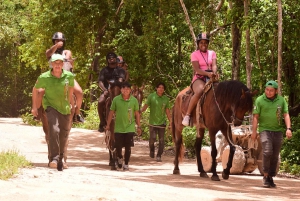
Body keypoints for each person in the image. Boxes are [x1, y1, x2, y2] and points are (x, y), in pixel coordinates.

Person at [31, 54, 75, 171]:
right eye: (55, 63)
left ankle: (61, 158)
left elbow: (70, 91)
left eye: (60, 63)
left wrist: (71, 104)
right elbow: (35, 89)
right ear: (51, 64)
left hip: (64, 108)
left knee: (63, 134)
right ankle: (54, 159)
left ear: (62, 64)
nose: (57, 65)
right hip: (50, 106)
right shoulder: (44, 77)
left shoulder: (69, 76)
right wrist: (35, 107)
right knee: (54, 129)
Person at [251, 80, 292, 188]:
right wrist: (254, 132)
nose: (268, 92)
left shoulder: (281, 100)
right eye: (267, 90)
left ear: (276, 91)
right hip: (265, 130)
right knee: (267, 151)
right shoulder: (260, 100)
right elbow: (255, 117)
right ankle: (265, 175)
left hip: (278, 131)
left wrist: (289, 128)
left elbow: (286, 114)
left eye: (271, 91)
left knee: (275, 155)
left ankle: (270, 176)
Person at [45, 32, 84, 123]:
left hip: (67, 76)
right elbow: (49, 52)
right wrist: (56, 46)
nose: (59, 42)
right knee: (39, 90)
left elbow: (68, 57)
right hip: (52, 76)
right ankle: (37, 111)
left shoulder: (66, 52)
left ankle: (77, 113)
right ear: (54, 41)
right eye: (57, 40)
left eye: (61, 41)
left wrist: (67, 60)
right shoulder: (49, 52)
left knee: (79, 92)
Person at [182, 32, 218, 126]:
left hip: (211, 77)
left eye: (205, 42)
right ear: (198, 44)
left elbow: (214, 65)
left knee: (221, 91)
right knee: (200, 91)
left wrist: (214, 72)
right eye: (201, 42)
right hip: (199, 78)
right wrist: (207, 73)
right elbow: (197, 69)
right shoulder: (194, 54)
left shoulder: (212, 53)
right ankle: (188, 115)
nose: (203, 44)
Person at [105, 82, 141, 170]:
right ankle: (120, 157)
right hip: (119, 127)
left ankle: (126, 164)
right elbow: (111, 112)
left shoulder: (134, 100)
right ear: (121, 90)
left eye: (128, 89)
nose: (126, 91)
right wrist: (108, 124)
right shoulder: (116, 99)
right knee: (118, 146)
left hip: (130, 127)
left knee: (128, 146)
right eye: (124, 89)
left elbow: (137, 113)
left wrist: (139, 126)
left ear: (130, 90)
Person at [140, 82, 171, 162]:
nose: (161, 89)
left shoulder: (165, 99)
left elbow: (167, 111)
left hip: (162, 123)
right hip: (152, 123)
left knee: (161, 140)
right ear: (156, 88)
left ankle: (159, 155)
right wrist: (139, 112)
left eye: (162, 88)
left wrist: (171, 121)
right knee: (152, 139)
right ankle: (152, 149)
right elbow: (145, 106)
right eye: (159, 87)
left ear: (164, 90)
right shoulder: (151, 96)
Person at [97, 52, 126, 132]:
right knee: (100, 101)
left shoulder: (121, 70)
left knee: (131, 102)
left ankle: (131, 125)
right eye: (109, 58)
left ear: (115, 59)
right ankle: (102, 122)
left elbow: (121, 79)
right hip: (107, 90)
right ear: (107, 60)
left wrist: (118, 83)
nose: (111, 59)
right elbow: (100, 82)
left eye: (113, 57)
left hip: (119, 89)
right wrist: (105, 90)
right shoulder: (104, 70)